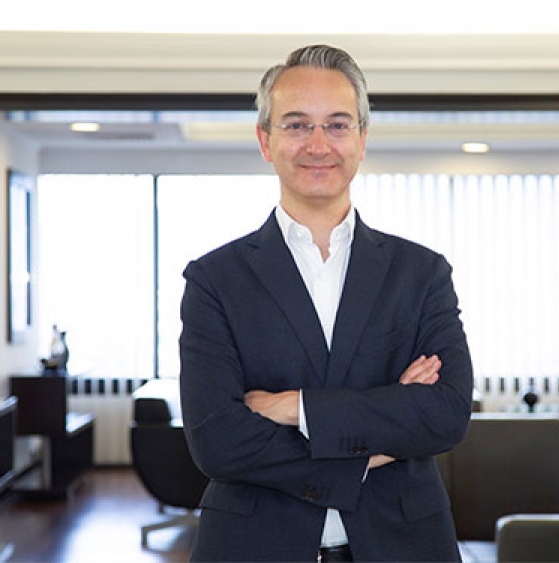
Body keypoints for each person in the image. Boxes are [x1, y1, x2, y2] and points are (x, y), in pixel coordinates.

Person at [179, 44, 474, 562]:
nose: (318, 144)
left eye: (337, 125)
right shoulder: (215, 280)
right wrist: (372, 441)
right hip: (254, 548)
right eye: (296, 125)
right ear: (265, 141)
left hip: (403, 546)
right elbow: (217, 441)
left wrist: (296, 408)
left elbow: (445, 413)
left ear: (362, 139)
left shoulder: (422, 274)